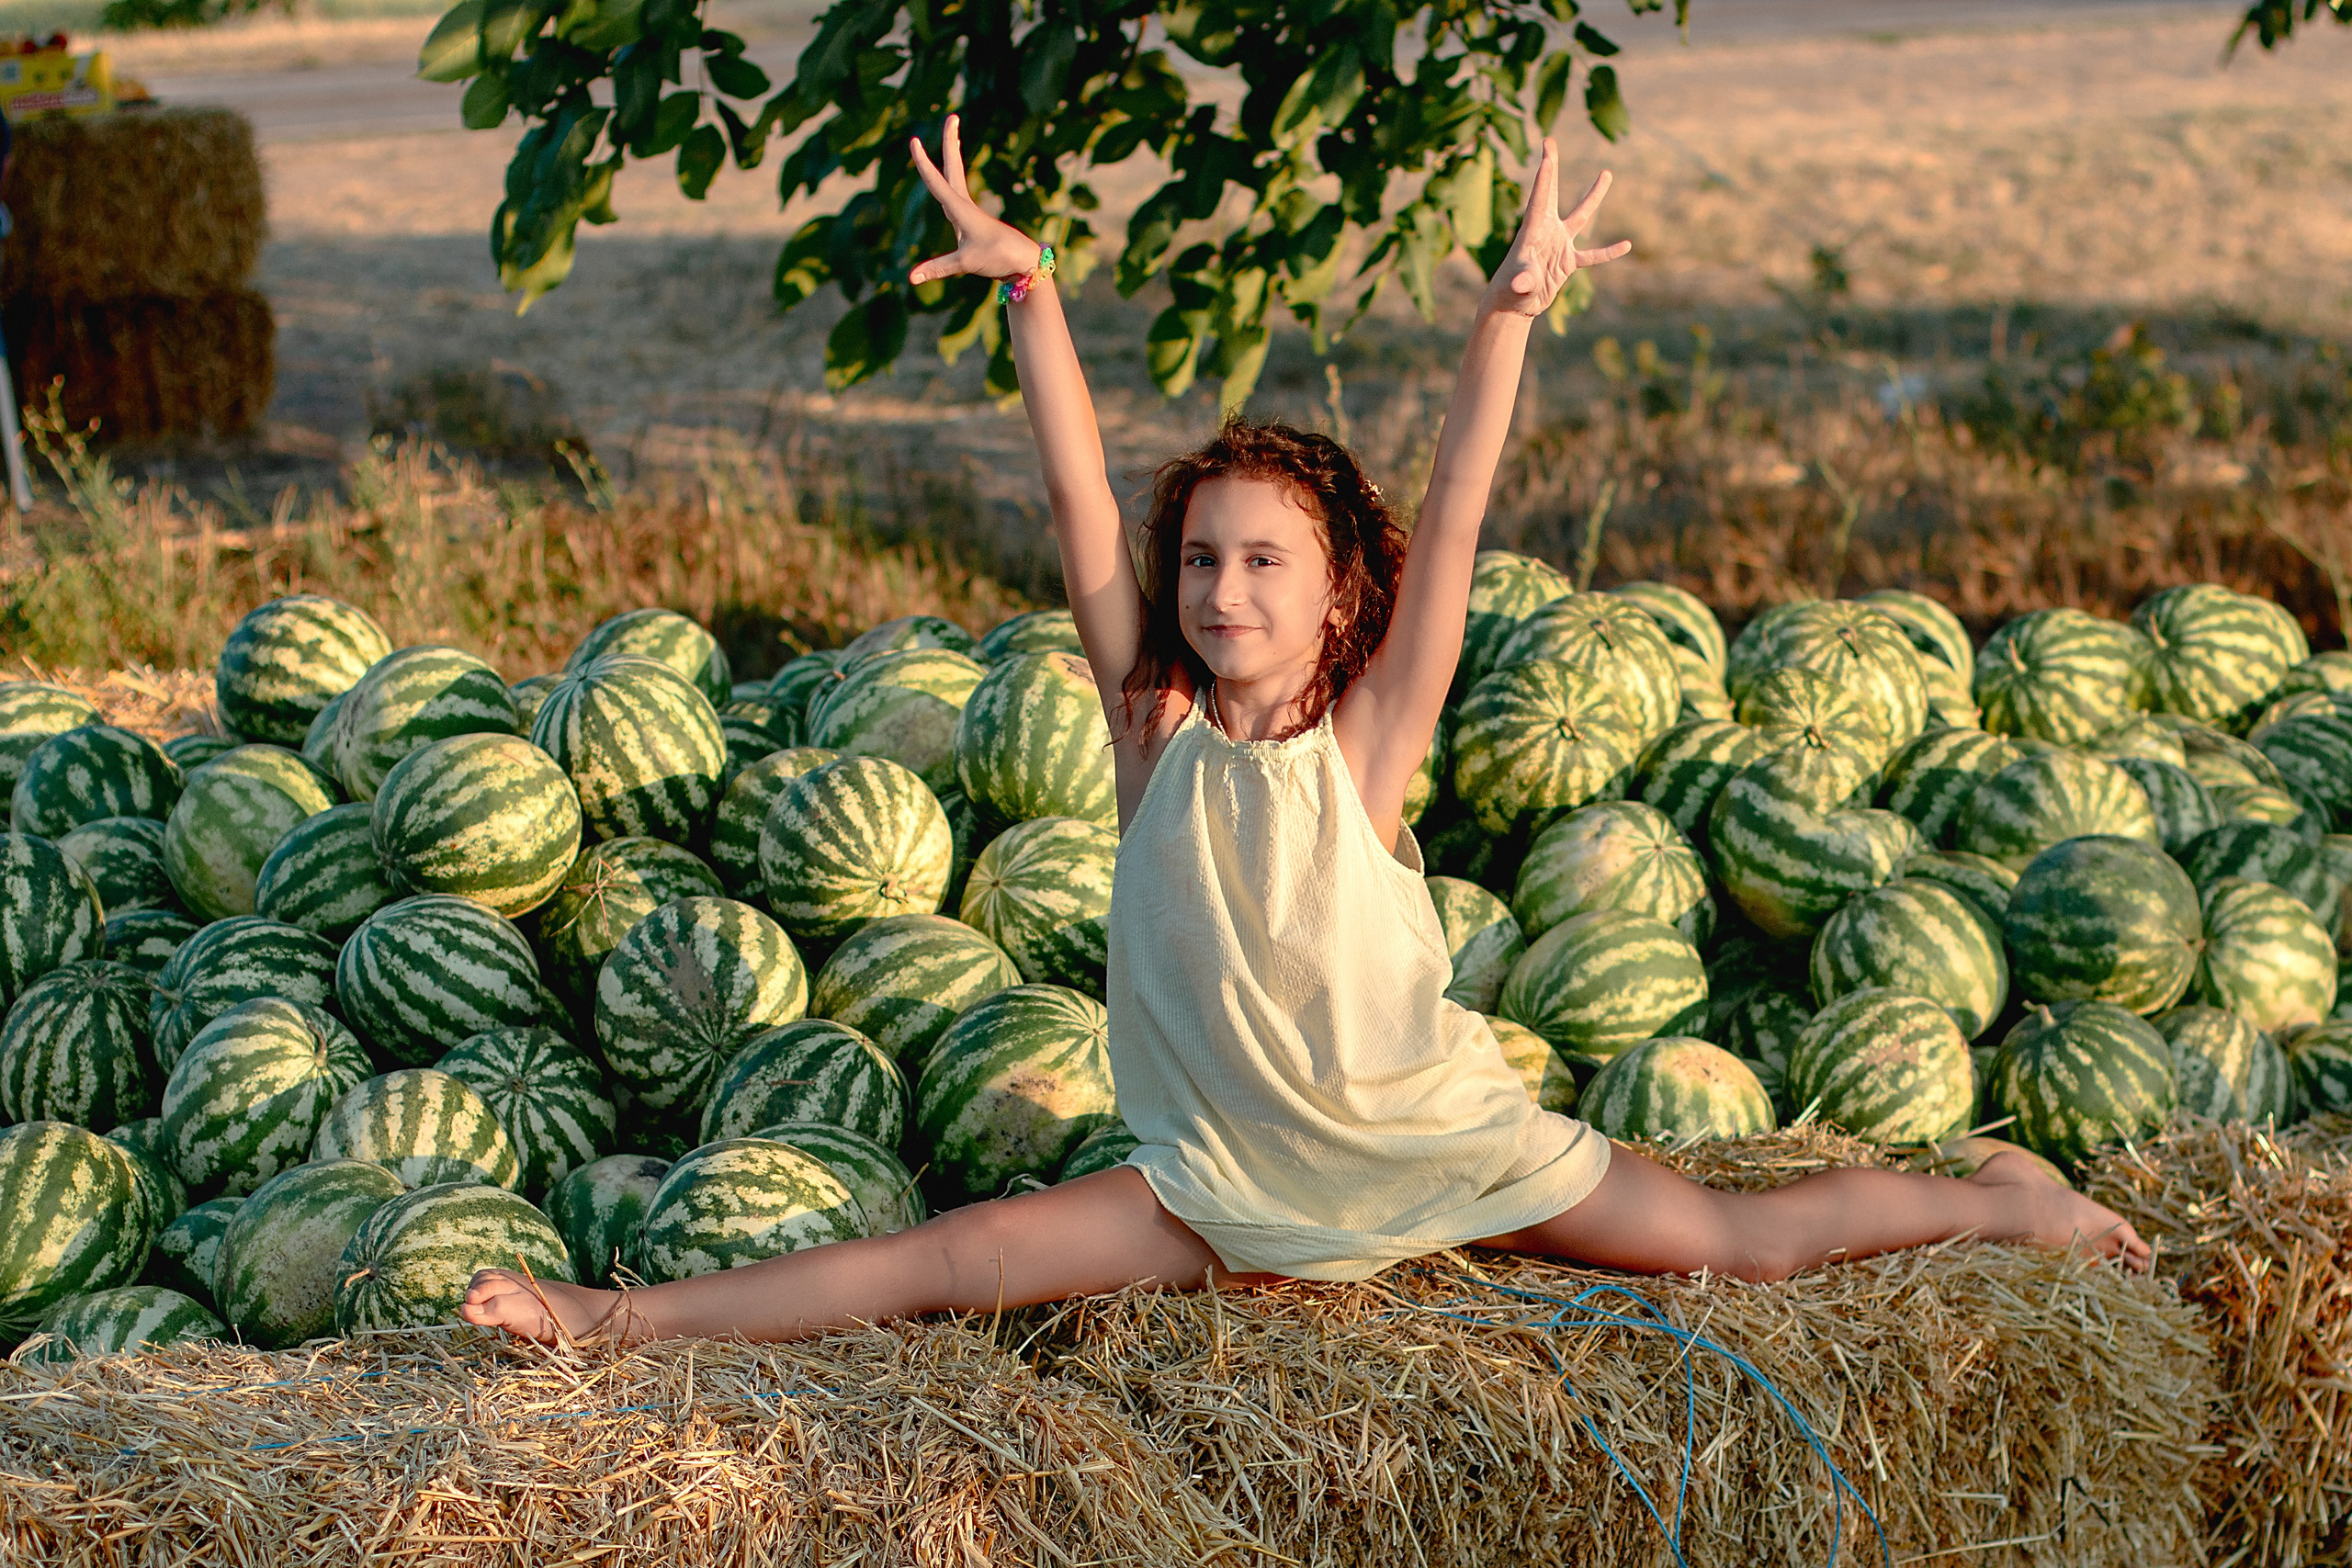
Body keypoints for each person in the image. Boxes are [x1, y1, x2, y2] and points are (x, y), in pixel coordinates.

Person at [461, 120, 2149, 1348]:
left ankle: (2018, 1205)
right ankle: (617, 1320)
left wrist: (1507, 319)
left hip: (1432, 1145)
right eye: (1201, 558)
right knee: (960, 1254)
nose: (1219, 588)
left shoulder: (1369, 747)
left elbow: (1464, 507)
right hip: (1223, 1182)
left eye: (1263, 562)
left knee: (1732, 1246)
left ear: (1339, 597)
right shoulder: (1152, 732)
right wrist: (1036, 297)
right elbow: (1071, 503)